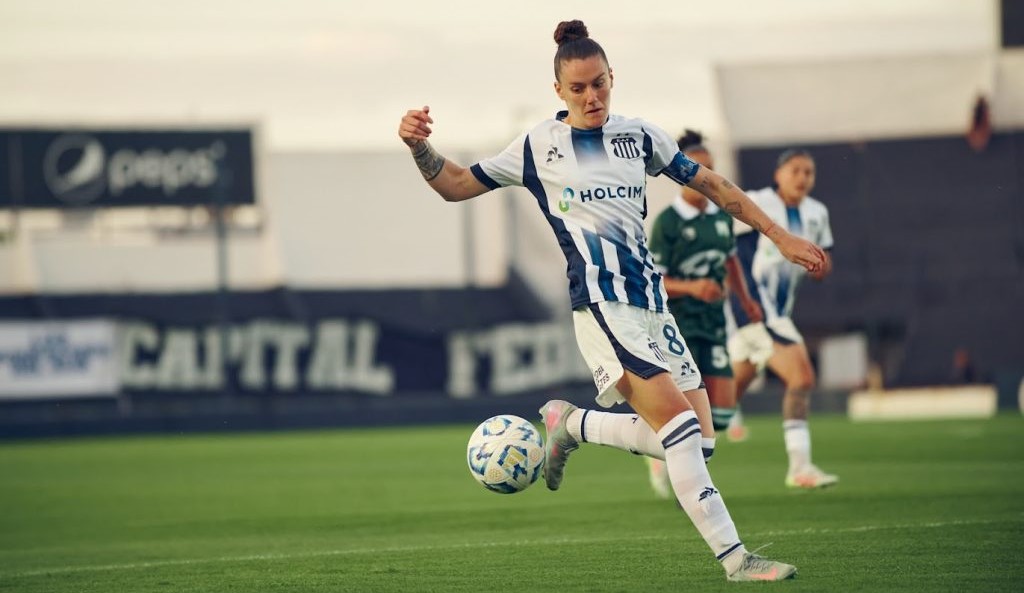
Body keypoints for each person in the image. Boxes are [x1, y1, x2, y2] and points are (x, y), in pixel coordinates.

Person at [398, 20, 826, 581]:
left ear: (612, 78)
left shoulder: (640, 137)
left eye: (599, 83)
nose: (592, 96)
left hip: (652, 305)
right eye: (578, 88)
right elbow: (455, 184)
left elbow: (714, 188)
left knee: (700, 440)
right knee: (677, 432)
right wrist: (419, 146)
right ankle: (737, 560)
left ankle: (572, 424)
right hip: (603, 307)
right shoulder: (537, 147)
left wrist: (780, 236)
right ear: (559, 91)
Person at [643, 130, 763, 499]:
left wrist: (745, 298)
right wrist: (693, 288)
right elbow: (654, 278)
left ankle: (658, 450)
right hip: (676, 325)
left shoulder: (722, 216)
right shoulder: (667, 223)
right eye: (700, 169)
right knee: (689, 414)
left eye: (712, 170)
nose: (707, 177)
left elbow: (729, 259)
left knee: (722, 414)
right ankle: (689, 485)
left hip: (712, 321)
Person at [726, 148, 838, 490]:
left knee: (722, 401)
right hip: (756, 309)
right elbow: (731, 250)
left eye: (809, 172)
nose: (802, 177)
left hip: (776, 311)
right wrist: (743, 301)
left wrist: (820, 265)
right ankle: (800, 468)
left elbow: (825, 261)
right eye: (795, 170)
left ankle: (660, 449)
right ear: (778, 175)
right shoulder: (756, 202)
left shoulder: (817, 213)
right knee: (801, 376)